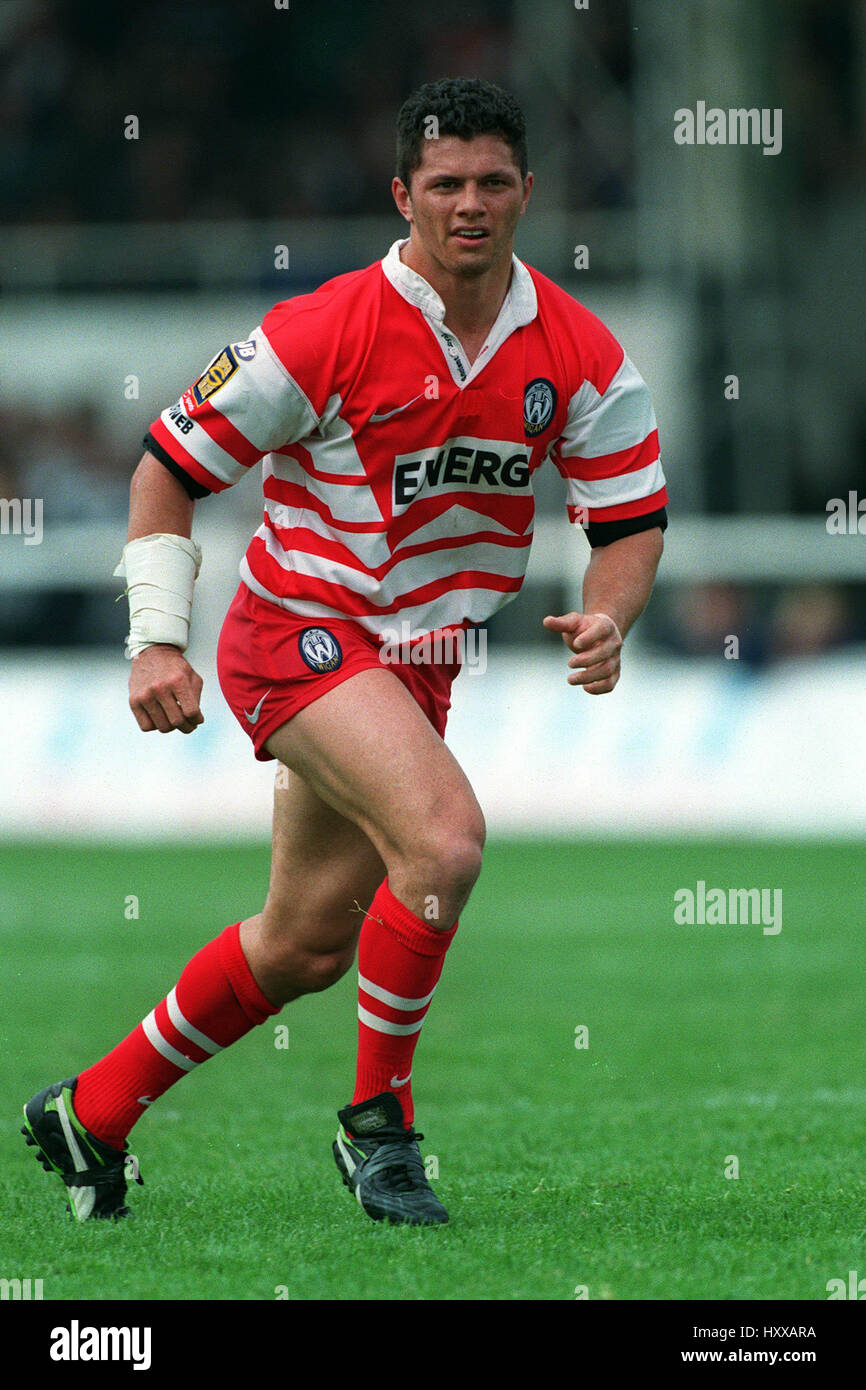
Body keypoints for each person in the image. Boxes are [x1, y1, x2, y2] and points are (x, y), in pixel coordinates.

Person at [22, 77, 666, 1227]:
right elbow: (165, 469)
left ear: (527, 190)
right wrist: (155, 639)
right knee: (446, 839)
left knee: (306, 941)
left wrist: (612, 610)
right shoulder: (321, 329)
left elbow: (626, 519)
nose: (468, 204)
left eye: (490, 182)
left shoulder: (576, 348)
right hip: (297, 635)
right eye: (443, 185)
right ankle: (380, 1132)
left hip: (414, 662)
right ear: (401, 196)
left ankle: (94, 1111)